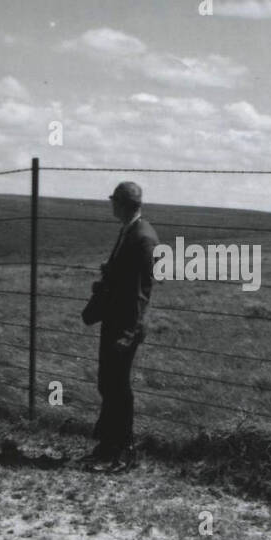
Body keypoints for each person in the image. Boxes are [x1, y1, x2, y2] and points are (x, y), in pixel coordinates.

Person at [81, 181, 158, 471]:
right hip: (116, 319)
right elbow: (128, 277)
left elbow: (141, 291)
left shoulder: (142, 237)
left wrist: (131, 331)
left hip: (126, 324)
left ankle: (122, 452)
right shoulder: (131, 231)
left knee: (118, 387)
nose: (111, 205)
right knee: (108, 382)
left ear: (123, 204)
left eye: (114, 201)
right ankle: (107, 446)